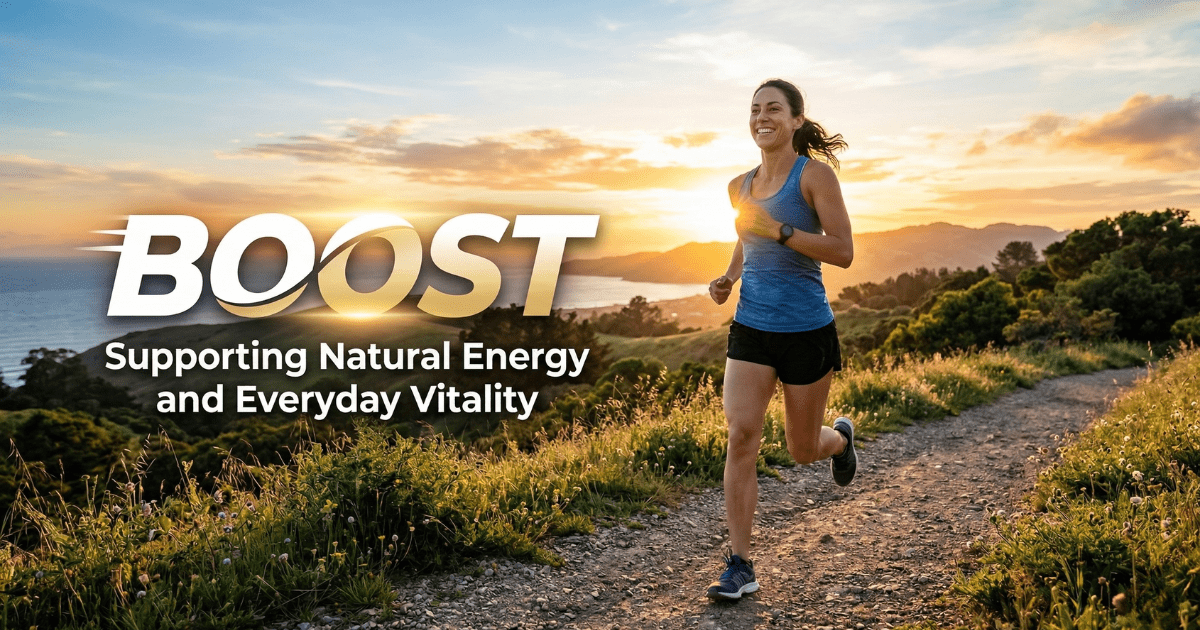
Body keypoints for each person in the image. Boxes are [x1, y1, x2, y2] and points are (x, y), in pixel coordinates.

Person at [705, 78, 856, 601]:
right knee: (741, 437)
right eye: (754, 109)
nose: (761, 116)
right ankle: (740, 564)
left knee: (802, 448)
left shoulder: (814, 177)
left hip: (806, 331)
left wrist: (784, 233)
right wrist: (728, 277)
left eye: (773, 108)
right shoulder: (738, 186)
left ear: (795, 120)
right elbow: (746, 236)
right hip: (751, 329)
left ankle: (840, 439)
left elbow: (842, 251)